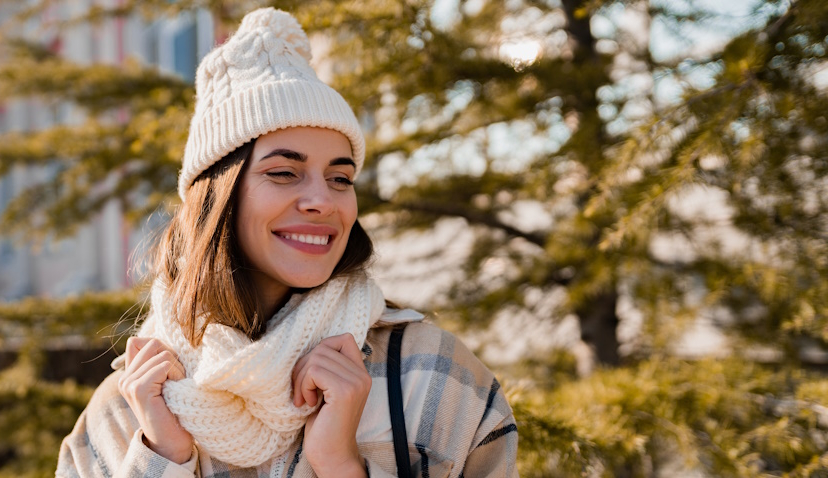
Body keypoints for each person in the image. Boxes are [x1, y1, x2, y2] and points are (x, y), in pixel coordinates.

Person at [56, 7, 518, 478]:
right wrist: (160, 460)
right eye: (284, 173)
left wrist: (340, 465)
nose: (323, 200)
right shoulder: (128, 410)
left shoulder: (433, 377)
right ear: (218, 198)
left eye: (341, 177)